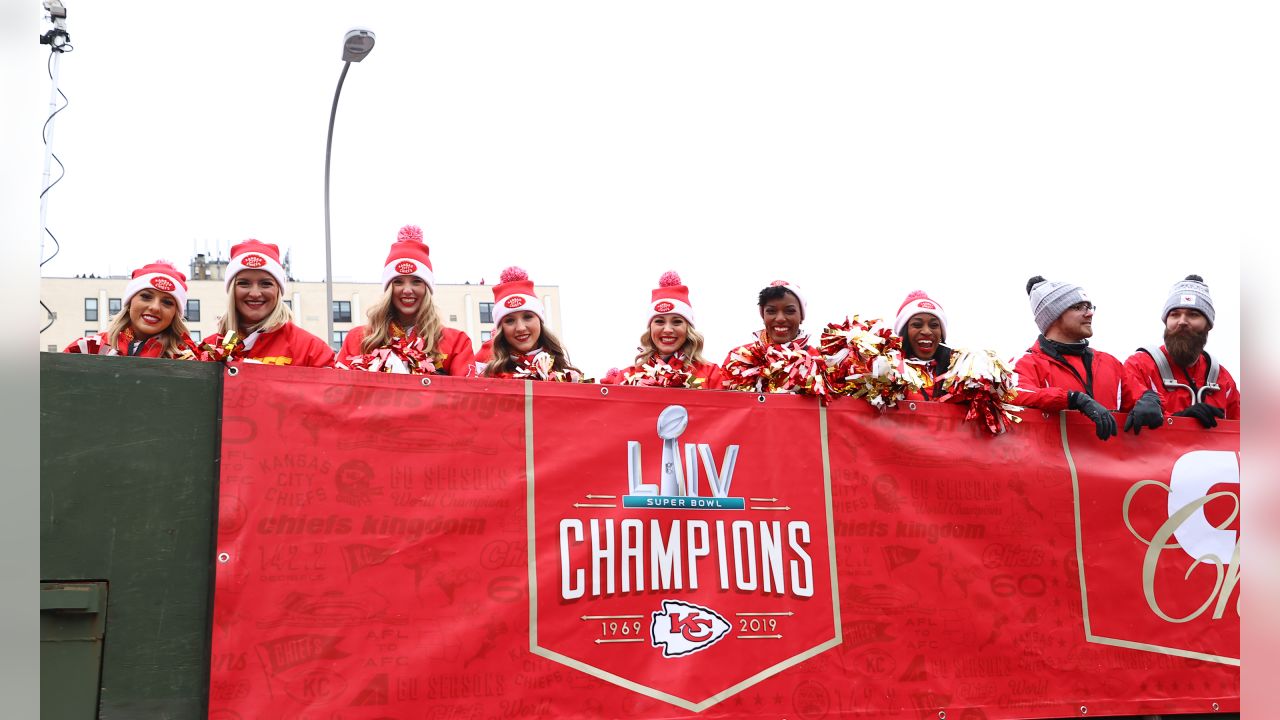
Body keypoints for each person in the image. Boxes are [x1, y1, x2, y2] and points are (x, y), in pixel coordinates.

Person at [1013, 275, 1157, 440]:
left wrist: (1151, 400)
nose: (1089, 313)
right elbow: (1013, 393)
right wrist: (1073, 399)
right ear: (1053, 315)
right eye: (1078, 307)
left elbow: (1141, 398)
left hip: (1110, 463)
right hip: (1055, 463)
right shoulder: (1026, 362)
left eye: (1089, 307)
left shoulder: (1110, 363)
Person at [338, 225, 475, 375]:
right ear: (389, 288)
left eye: (416, 281)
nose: (408, 290)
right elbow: (339, 393)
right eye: (398, 281)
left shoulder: (456, 342)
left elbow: (467, 396)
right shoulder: (359, 338)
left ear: (427, 288)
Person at [1123, 274, 1240, 428]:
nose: (1182, 321)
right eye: (1174, 314)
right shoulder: (1140, 367)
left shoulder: (1222, 380)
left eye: (1193, 314)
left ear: (1208, 325)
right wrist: (1180, 420)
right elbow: (1124, 418)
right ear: (1166, 321)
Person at [201, 240, 335, 367]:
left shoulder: (310, 350)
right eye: (243, 283)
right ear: (231, 291)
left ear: (279, 290)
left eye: (266, 284)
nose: (255, 293)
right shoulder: (209, 349)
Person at [64, 260, 199, 359]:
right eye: (146, 297)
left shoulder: (187, 358)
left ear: (175, 313)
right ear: (129, 303)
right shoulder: (89, 348)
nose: (155, 307)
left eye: (167, 302)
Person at [612, 271, 723, 389]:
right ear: (650, 328)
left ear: (688, 328)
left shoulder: (712, 375)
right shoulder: (626, 378)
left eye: (677, 322)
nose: (668, 329)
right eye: (659, 321)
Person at [479, 267, 584, 381]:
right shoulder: (486, 374)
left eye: (528, 317)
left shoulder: (567, 373)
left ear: (539, 319)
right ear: (500, 328)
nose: (520, 328)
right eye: (510, 321)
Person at [722, 280, 826, 395]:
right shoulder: (739, 359)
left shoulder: (818, 362)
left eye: (790, 311)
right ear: (763, 316)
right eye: (771, 311)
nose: (780, 318)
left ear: (801, 316)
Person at [893, 290, 953, 400]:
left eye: (934, 325)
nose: (927, 331)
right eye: (917, 324)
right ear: (904, 332)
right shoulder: (888, 372)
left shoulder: (958, 374)